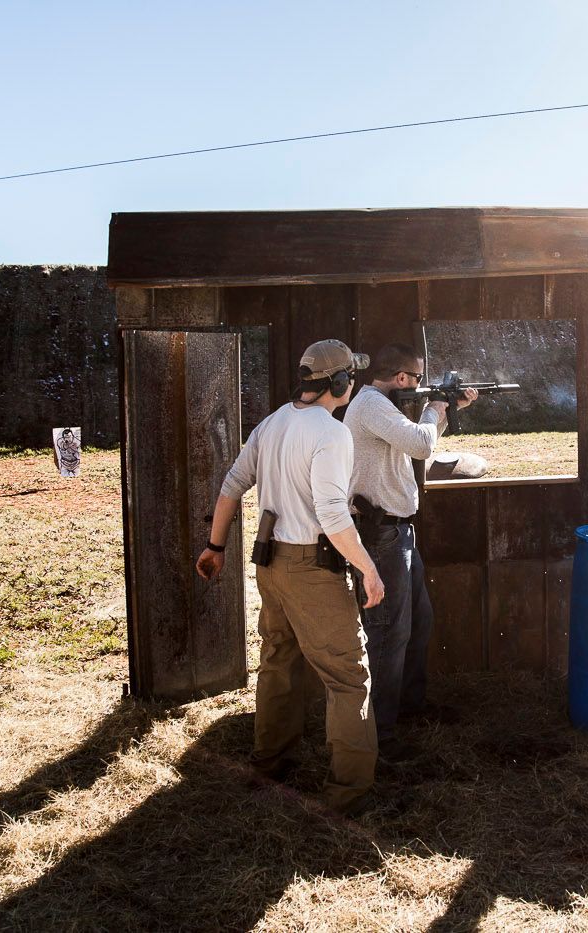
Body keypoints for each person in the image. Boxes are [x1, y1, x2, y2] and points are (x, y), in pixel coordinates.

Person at [195, 338, 385, 816]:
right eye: (350, 375)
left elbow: (231, 487)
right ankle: (348, 795)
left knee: (278, 659)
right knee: (347, 678)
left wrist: (215, 546)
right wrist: (368, 568)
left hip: (269, 564)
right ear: (339, 383)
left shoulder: (272, 423)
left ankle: (269, 762)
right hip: (311, 568)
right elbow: (333, 516)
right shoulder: (332, 434)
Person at [344, 343, 477, 758]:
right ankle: (380, 734)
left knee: (418, 621)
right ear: (402, 379)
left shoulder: (383, 406)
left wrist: (445, 411)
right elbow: (421, 444)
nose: (418, 385)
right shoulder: (371, 405)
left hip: (398, 531)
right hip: (381, 533)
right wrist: (436, 408)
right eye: (417, 379)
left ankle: (410, 707)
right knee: (387, 632)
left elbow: (419, 441)